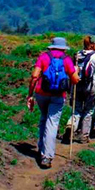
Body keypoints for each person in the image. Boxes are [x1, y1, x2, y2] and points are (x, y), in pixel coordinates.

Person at [26, 37, 80, 169]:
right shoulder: (66, 59)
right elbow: (75, 80)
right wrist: (76, 70)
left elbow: (34, 76)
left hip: (41, 94)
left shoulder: (44, 57)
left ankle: (41, 148)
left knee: (44, 118)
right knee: (52, 123)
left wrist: (30, 95)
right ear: (63, 48)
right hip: (58, 96)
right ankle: (47, 156)